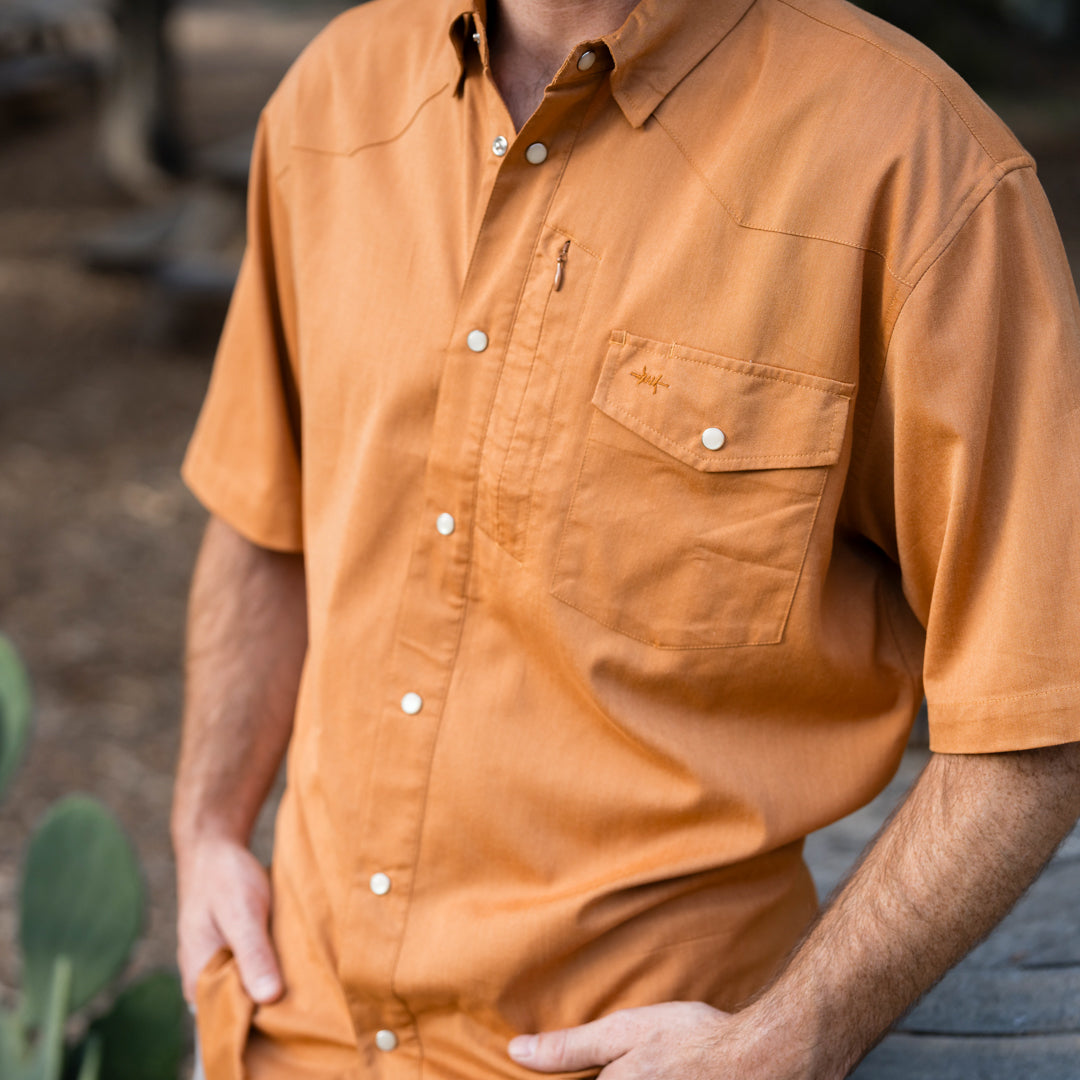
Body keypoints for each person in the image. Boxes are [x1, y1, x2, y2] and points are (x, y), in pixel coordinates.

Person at [171, 0, 1080, 1076]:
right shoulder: (336, 93)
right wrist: (208, 828)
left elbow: (1041, 709)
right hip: (289, 1033)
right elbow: (263, 517)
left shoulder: (919, 168)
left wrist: (797, 1035)